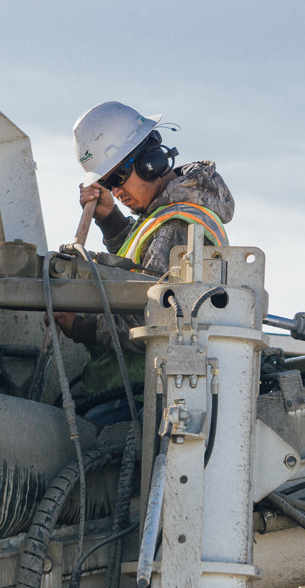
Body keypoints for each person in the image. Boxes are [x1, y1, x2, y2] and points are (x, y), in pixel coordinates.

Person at [55, 101, 234, 423]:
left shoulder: (179, 224)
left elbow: (155, 322)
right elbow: (140, 270)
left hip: (140, 402)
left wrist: (80, 327)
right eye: (108, 183)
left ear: (152, 162)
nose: (116, 190)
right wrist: (110, 218)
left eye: (119, 176)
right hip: (133, 394)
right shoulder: (165, 217)